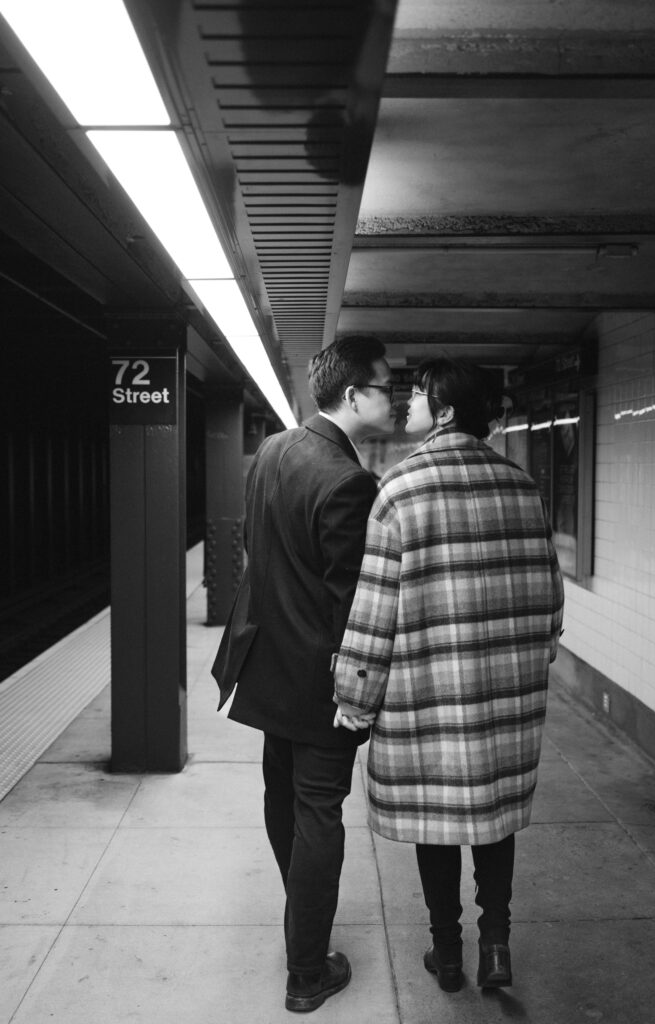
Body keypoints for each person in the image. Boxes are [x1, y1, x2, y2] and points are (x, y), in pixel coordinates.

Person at [333, 357, 564, 994]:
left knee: (435, 825)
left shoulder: (400, 491)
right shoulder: (522, 486)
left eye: (419, 398)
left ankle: (447, 951)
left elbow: (375, 608)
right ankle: (496, 943)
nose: (408, 407)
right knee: (493, 820)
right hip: (501, 699)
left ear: (448, 409)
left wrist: (355, 695)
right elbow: (550, 599)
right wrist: (532, 656)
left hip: (425, 698)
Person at [211, 336, 395, 1013]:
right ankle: (307, 972)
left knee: (283, 799)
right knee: (319, 815)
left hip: (264, 670)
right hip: (319, 683)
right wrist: (364, 690)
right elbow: (353, 604)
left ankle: (301, 924)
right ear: (352, 395)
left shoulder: (274, 452)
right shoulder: (349, 481)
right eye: (383, 386)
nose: (394, 396)